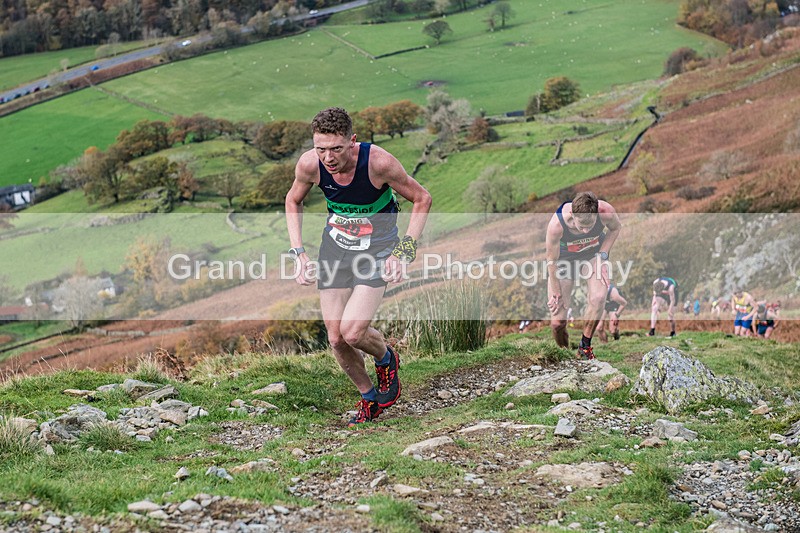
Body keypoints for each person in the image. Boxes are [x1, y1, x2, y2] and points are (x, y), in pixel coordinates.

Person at [285, 107, 432, 427]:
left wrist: (404, 250)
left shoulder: (378, 163)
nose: (328, 158)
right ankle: (369, 397)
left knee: (352, 332)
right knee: (336, 338)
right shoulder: (310, 164)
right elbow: (292, 200)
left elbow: (422, 198)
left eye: (336, 149)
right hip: (335, 250)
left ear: (352, 141)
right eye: (320, 149)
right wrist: (299, 253)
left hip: (377, 251)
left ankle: (385, 358)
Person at [545, 191, 622, 360]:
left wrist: (602, 256)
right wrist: (556, 291)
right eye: (581, 227)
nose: (586, 230)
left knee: (599, 297)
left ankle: (584, 347)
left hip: (593, 255)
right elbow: (551, 260)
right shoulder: (557, 225)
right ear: (572, 215)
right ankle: (564, 354)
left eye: (590, 226)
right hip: (564, 260)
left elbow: (616, 228)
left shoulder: (605, 211)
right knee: (558, 323)